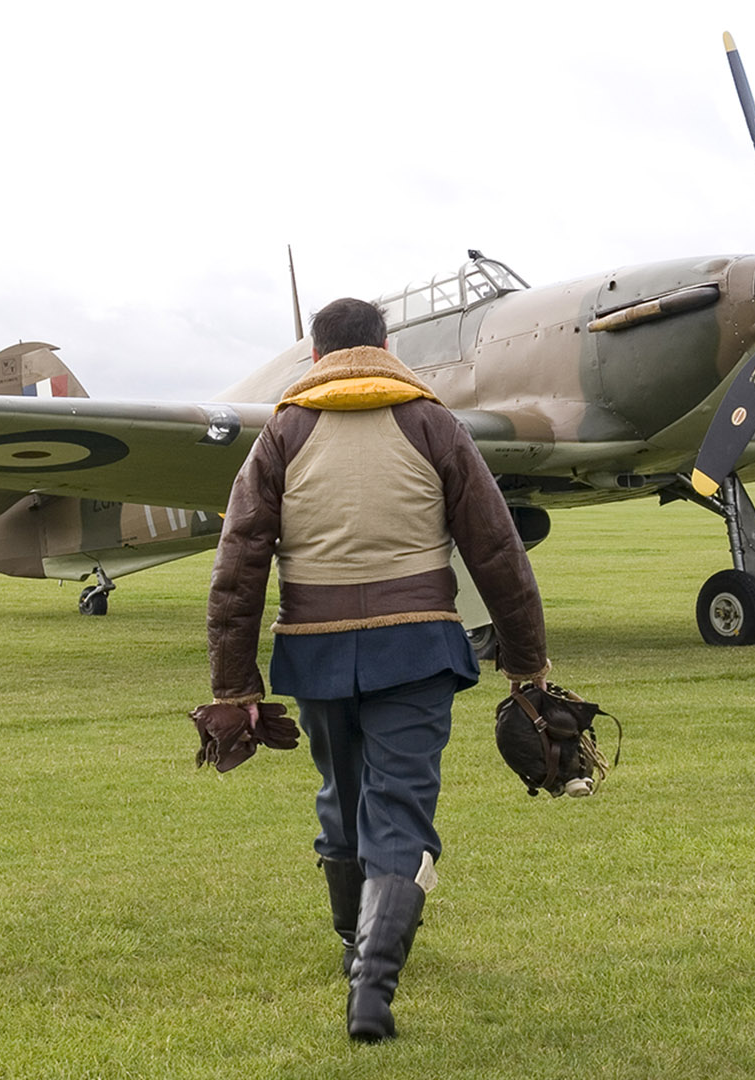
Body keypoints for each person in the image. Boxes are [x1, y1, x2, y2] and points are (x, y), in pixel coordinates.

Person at [205, 296, 548, 1043]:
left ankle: (354, 946)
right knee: (397, 812)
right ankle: (371, 985)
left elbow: (238, 565)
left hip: (316, 648)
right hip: (420, 650)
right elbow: (496, 550)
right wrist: (526, 666)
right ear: (386, 345)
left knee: (342, 799)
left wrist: (234, 686)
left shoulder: (282, 433)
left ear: (318, 357)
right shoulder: (435, 423)